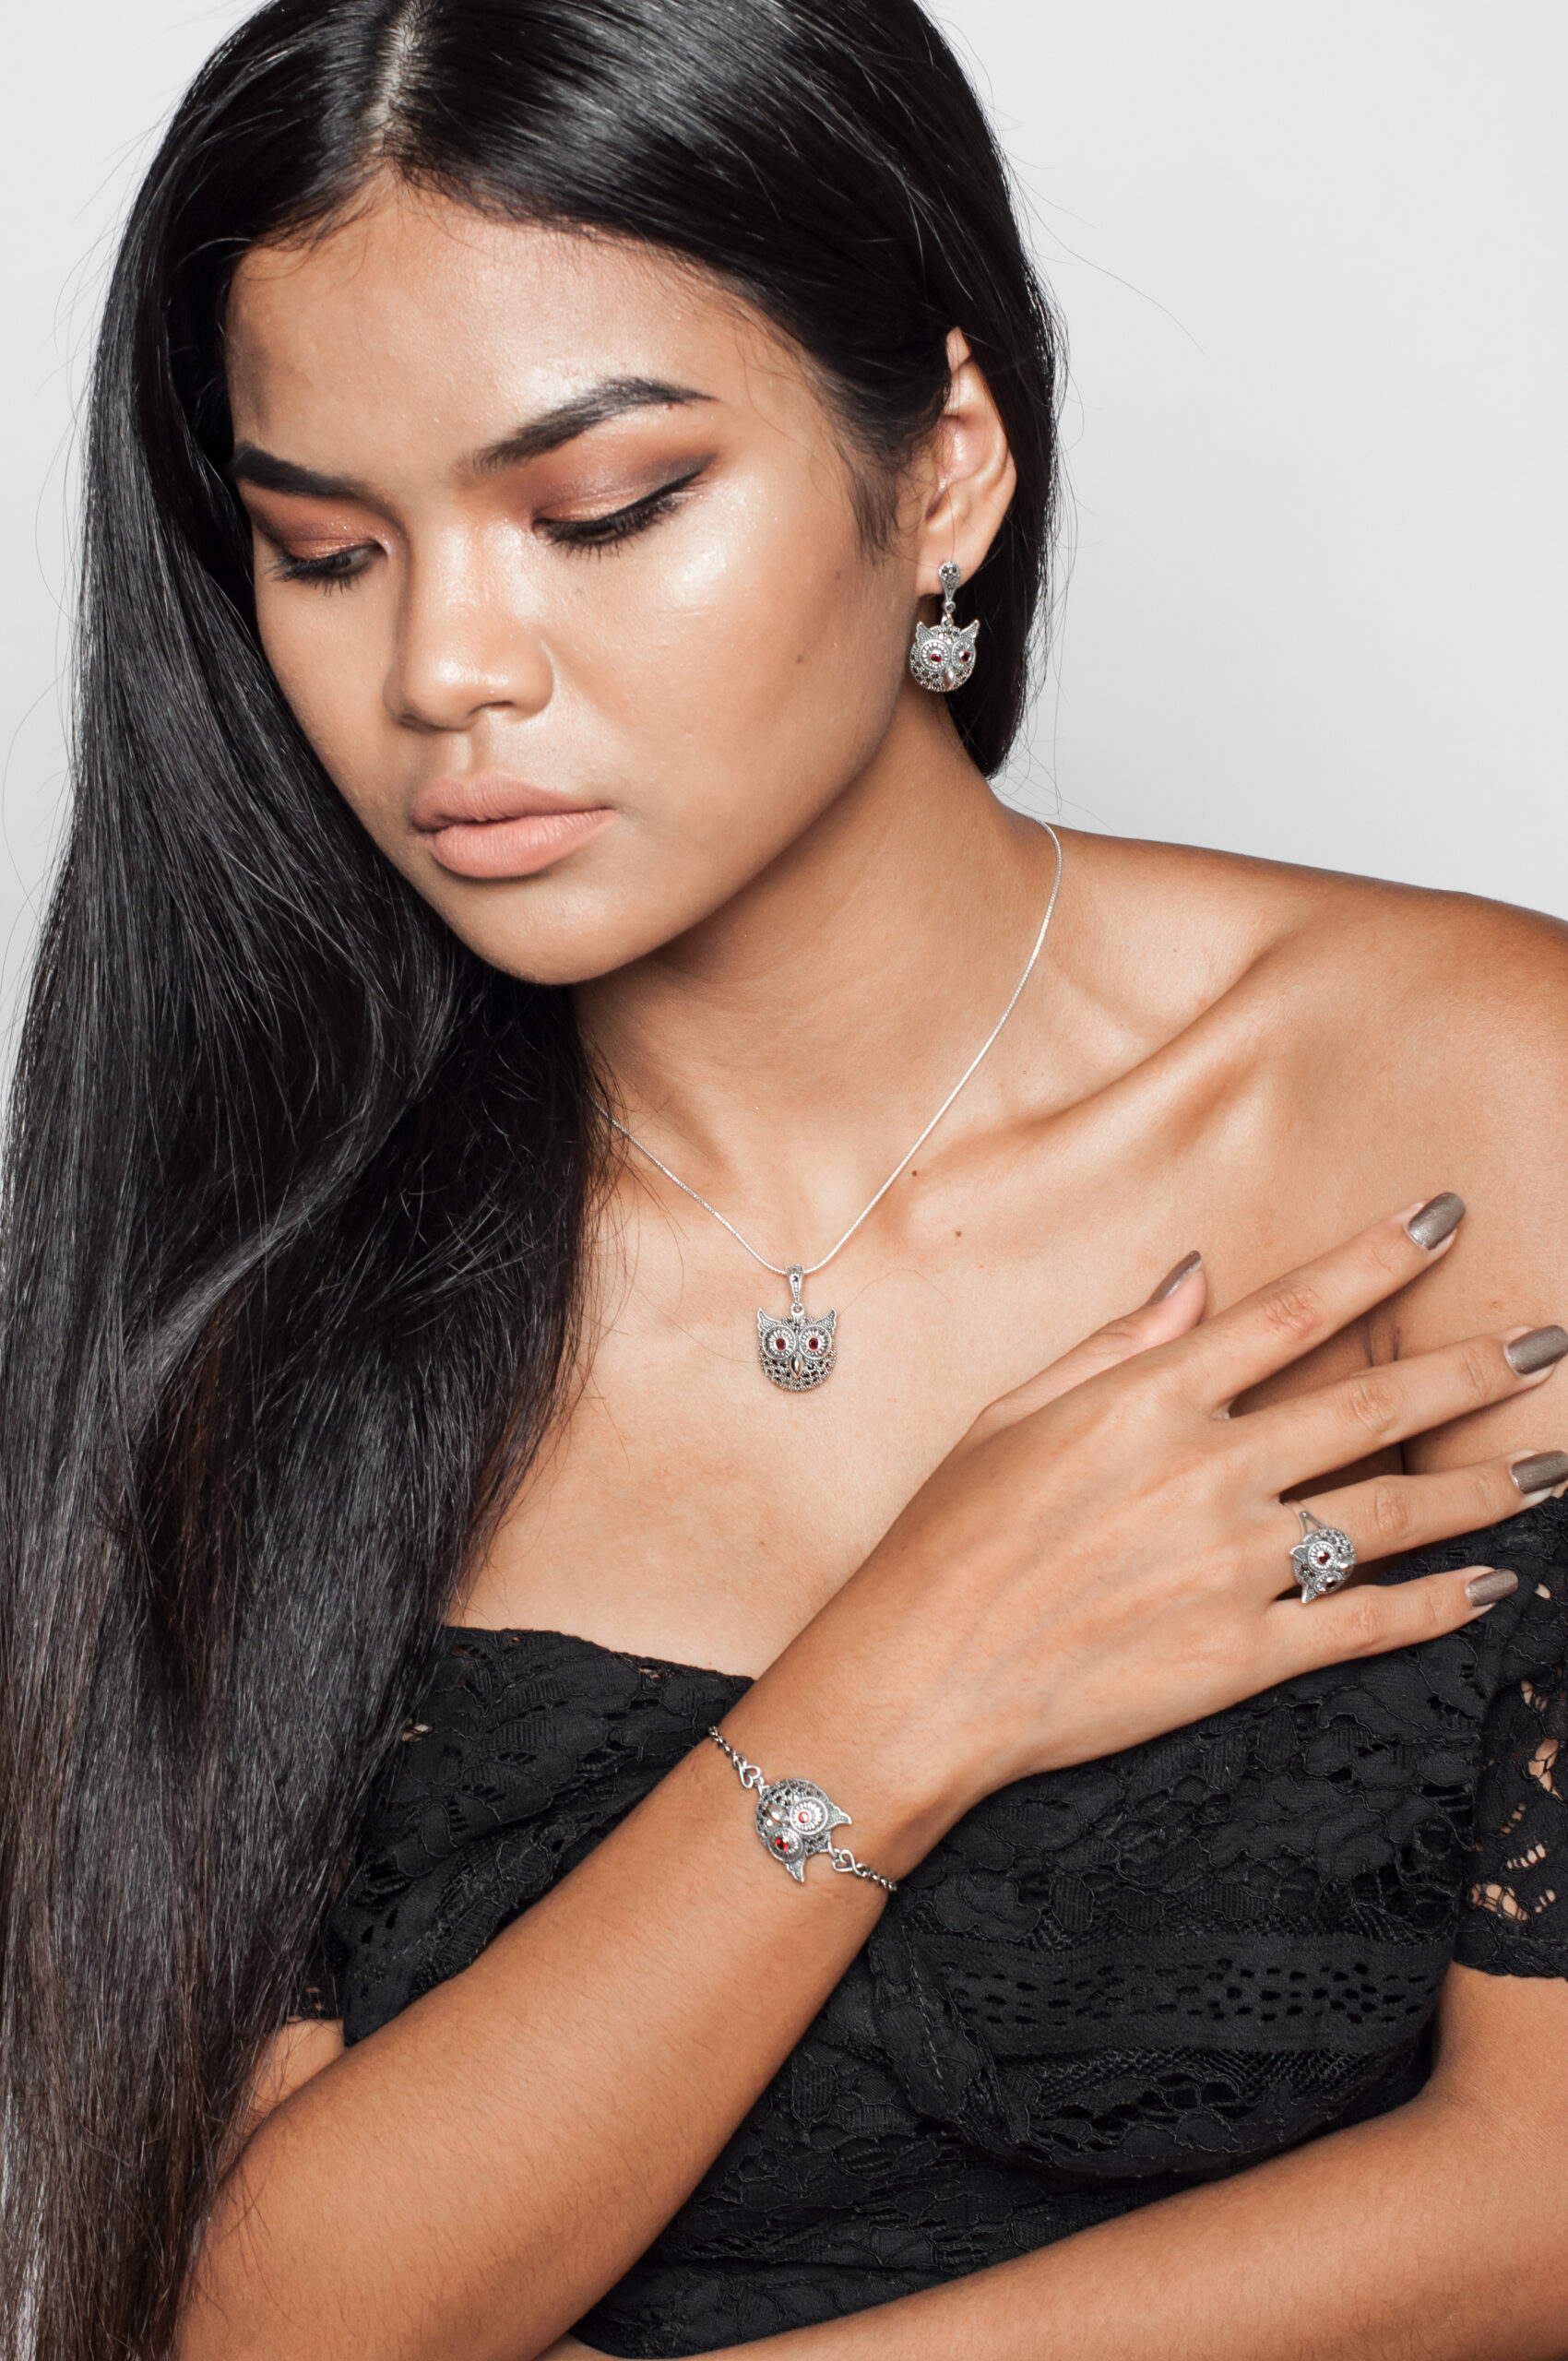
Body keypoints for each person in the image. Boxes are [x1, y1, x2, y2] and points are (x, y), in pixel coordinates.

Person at [2, 2, 1566, 2356]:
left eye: (601, 509)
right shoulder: (254, 1264)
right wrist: (891, 1691)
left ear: (941, 469)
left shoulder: (1481, 1094)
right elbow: (255, 2317)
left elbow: (1541, 2186)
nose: (445, 670)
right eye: (325, 551)